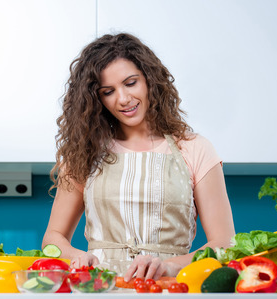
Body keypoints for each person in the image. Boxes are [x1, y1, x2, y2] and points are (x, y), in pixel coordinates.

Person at [42, 32, 235, 281]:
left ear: (150, 81)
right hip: (100, 288)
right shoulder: (84, 151)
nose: (123, 99)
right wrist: (75, 256)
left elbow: (225, 244)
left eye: (131, 83)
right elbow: (52, 238)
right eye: (108, 91)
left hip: (169, 288)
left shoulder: (195, 148)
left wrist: (172, 266)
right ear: (96, 99)